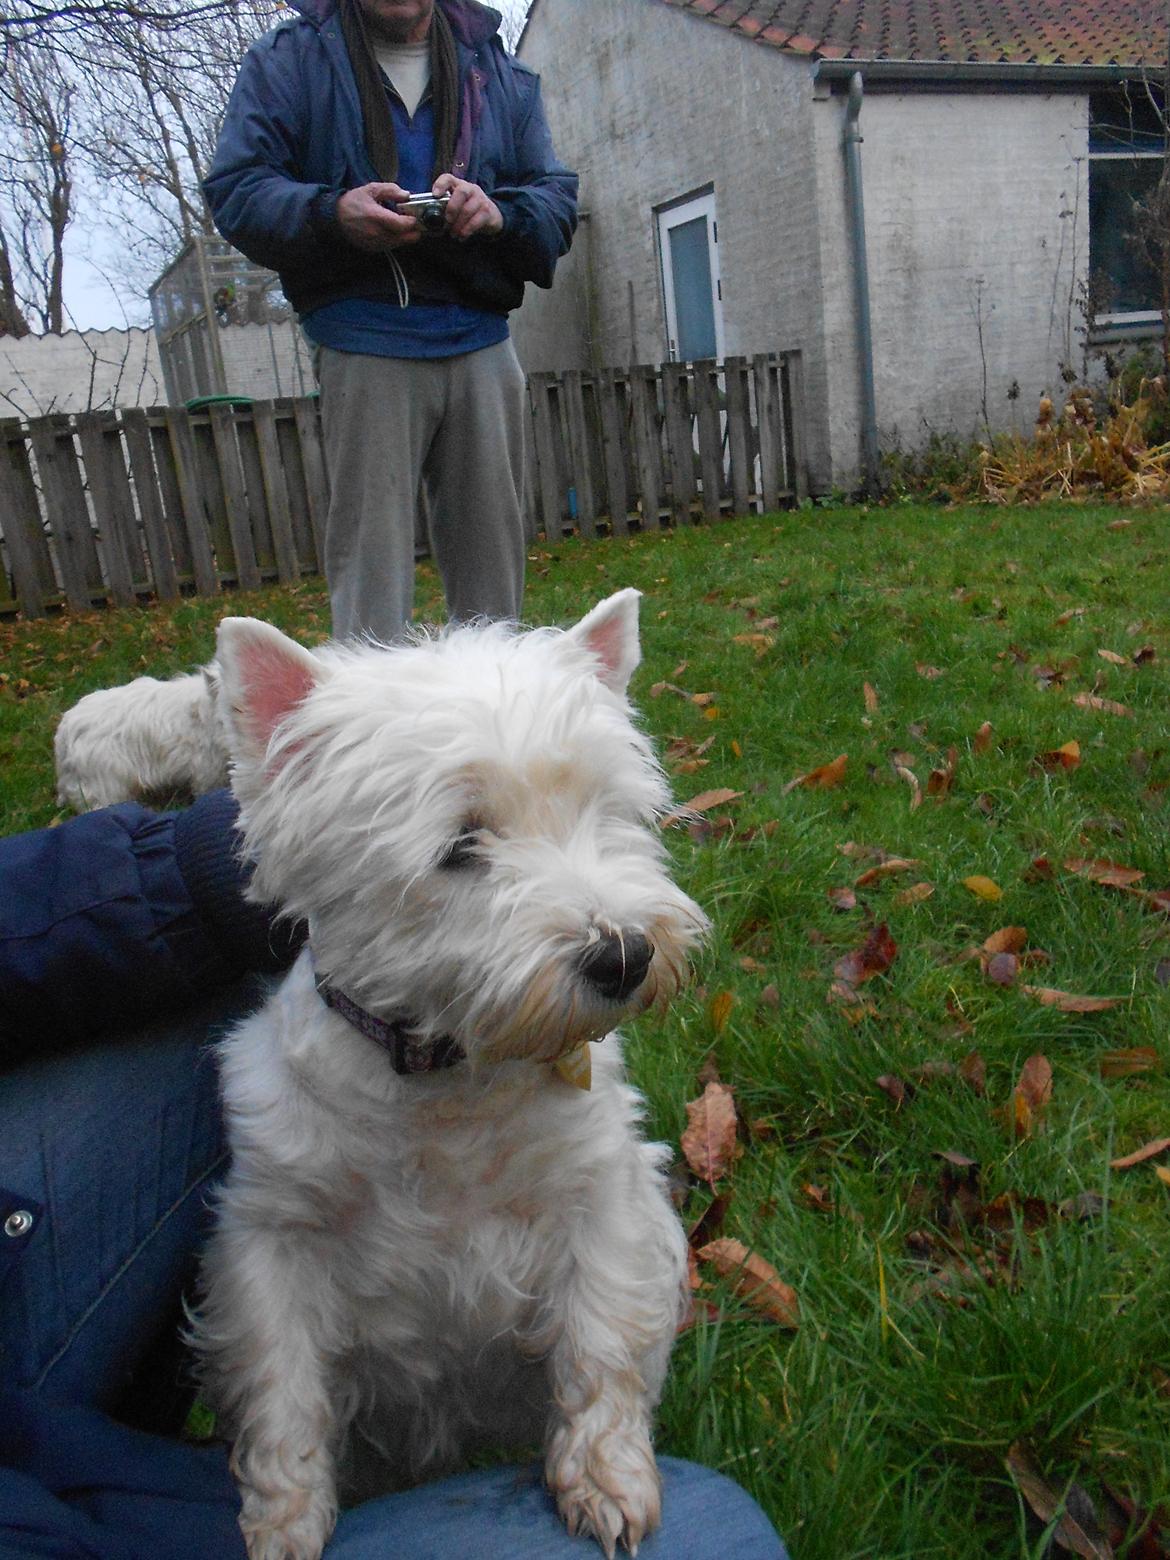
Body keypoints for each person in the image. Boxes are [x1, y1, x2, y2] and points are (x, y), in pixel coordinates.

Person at [0, 794, 790, 1559]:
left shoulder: (561, 1050)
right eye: (465, 849)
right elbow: (276, 1250)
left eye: (599, 816)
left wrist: (605, 1419)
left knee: (609, 1188)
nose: (614, 929)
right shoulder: (285, 1080)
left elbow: (599, 1212)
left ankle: (595, 1426)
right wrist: (281, 1475)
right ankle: (292, 1465)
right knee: (720, 1536)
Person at [204, 0, 578, 644]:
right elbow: (238, 189)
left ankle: (493, 737)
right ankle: (371, 743)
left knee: (495, 604)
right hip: (363, 342)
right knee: (370, 599)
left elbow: (554, 196)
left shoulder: (497, 69)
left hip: (481, 342)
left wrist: (501, 214)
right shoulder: (291, 61)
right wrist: (330, 212)